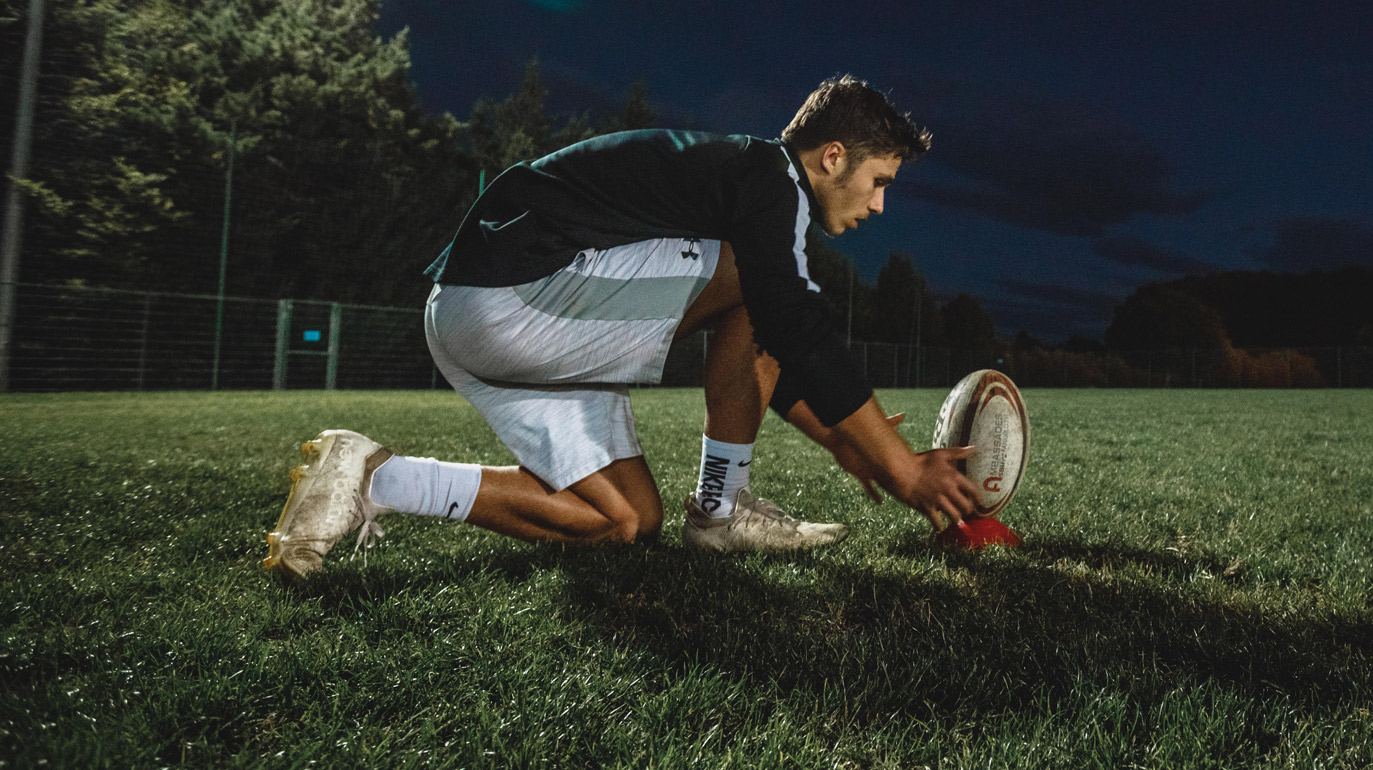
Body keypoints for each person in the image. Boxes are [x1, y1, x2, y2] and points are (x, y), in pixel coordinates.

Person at [262, 75, 979, 579]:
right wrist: (900, 465)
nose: (880, 204)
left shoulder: (742, 185)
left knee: (624, 521)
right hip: (519, 296)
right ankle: (723, 511)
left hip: (489, 324)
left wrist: (843, 440)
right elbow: (784, 318)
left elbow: (757, 344)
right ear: (832, 158)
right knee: (763, 279)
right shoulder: (770, 180)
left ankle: (375, 477)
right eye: (879, 180)